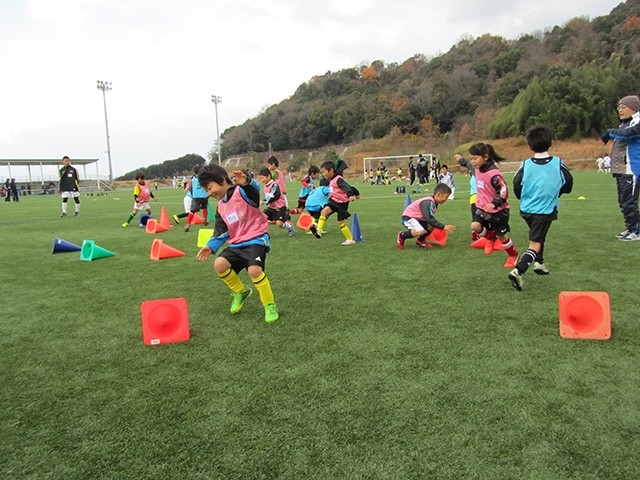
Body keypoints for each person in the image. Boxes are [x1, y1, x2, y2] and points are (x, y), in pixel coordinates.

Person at [196, 165, 279, 323]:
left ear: (222, 180)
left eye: (209, 187)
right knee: (219, 264)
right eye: (206, 190)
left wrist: (246, 182)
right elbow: (221, 230)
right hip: (236, 244)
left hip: (256, 239)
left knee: (254, 271)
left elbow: (254, 197)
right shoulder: (221, 206)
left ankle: (270, 305)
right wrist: (210, 246)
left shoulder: (241, 191)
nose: (209, 193)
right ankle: (240, 291)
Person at [508, 125, 573, 291]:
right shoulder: (558, 163)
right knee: (535, 242)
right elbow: (568, 182)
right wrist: (556, 192)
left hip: (527, 209)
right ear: (550, 143)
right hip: (545, 210)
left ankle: (540, 263)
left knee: (539, 235)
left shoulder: (526, 164)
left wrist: (522, 197)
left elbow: (516, 183)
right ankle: (518, 271)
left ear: (529, 146)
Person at [468, 143, 519, 268]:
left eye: (475, 158)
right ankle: (490, 237)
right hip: (482, 207)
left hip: (498, 210)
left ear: (485, 157)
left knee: (501, 236)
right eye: (471, 159)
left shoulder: (494, 174)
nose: (473, 162)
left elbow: (503, 191)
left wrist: (494, 203)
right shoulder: (477, 168)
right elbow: (467, 163)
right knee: (475, 225)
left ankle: (513, 255)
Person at [601, 95, 640, 241]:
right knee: (623, 201)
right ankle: (630, 227)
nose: (620, 110)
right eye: (619, 107)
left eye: (623, 107)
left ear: (633, 108)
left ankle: (636, 231)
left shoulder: (637, 122)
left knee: (629, 201)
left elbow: (627, 134)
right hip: (621, 169)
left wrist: (610, 132)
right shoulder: (625, 123)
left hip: (631, 169)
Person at [310, 161, 358, 244]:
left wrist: (352, 194)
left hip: (342, 204)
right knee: (324, 212)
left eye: (324, 172)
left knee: (340, 222)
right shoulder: (331, 180)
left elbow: (347, 186)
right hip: (333, 202)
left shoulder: (338, 179)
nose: (323, 174)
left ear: (331, 170)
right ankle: (319, 230)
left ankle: (350, 239)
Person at [396, 183, 456, 249]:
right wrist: (443, 226)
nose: (446, 199)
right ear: (439, 194)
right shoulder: (428, 202)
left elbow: (430, 219)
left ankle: (421, 240)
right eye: (446, 197)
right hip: (408, 218)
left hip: (418, 219)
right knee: (421, 231)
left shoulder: (433, 203)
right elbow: (429, 218)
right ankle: (401, 236)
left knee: (431, 225)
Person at [258, 167, 294, 236]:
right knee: (262, 217)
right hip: (271, 208)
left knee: (279, 224)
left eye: (262, 178)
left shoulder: (274, 185)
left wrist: (264, 201)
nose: (261, 180)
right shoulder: (265, 186)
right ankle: (264, 233)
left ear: (268, 176)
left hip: (279, 208)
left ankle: (290, 226)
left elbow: (274, 195)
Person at [176, 165, 211, 232]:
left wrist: (193, 194)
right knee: (205, 208)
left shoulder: (193, 180)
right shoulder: (205, 178)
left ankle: (187, 224)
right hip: (204, 196)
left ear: (194, 172)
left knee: (192, 211)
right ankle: (205, 219)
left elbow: (190, 188)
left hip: (196, 197)